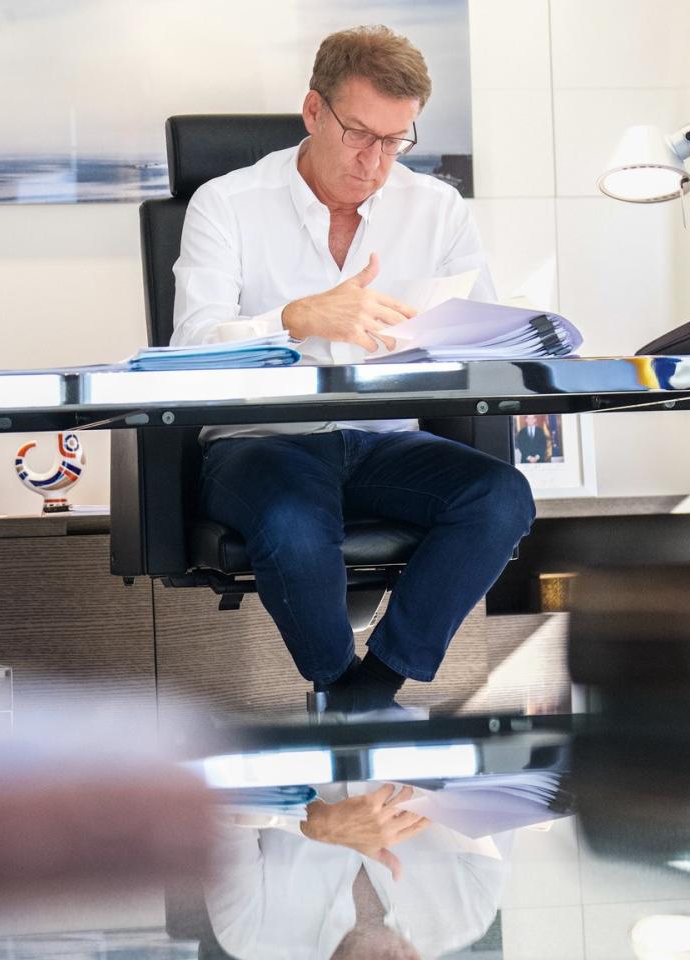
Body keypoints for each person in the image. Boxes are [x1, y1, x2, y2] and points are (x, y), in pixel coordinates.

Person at [171, 25, 535, 713]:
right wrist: (295, 318)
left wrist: (491, 339)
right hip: (261, 442)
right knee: (293, 524)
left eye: (395, 141)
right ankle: (352, 699)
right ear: (314, 111)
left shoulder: (437, 209)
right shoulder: (227, 203)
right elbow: (191, 345)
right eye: (360, 134)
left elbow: (482, 336)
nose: (375, 162)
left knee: (502, 497)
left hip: (382, 440)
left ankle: (367, 694)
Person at [206, 783, 511, 959]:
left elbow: (207, 797)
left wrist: (309, 820)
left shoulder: (250, 934)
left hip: (275, 711)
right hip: (428, 706)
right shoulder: (468, 912)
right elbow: (507, 786)